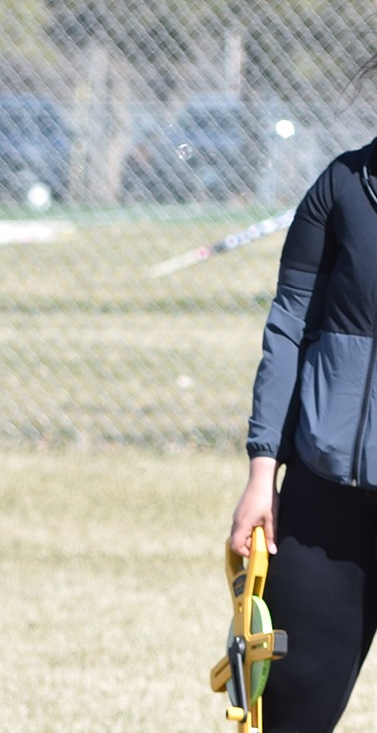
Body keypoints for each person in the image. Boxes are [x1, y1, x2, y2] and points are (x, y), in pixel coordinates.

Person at [228, 83, 377, 732]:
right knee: (286, 706)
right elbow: (289, 326)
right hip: (325, 503)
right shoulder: (341, 187)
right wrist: (263, 470)